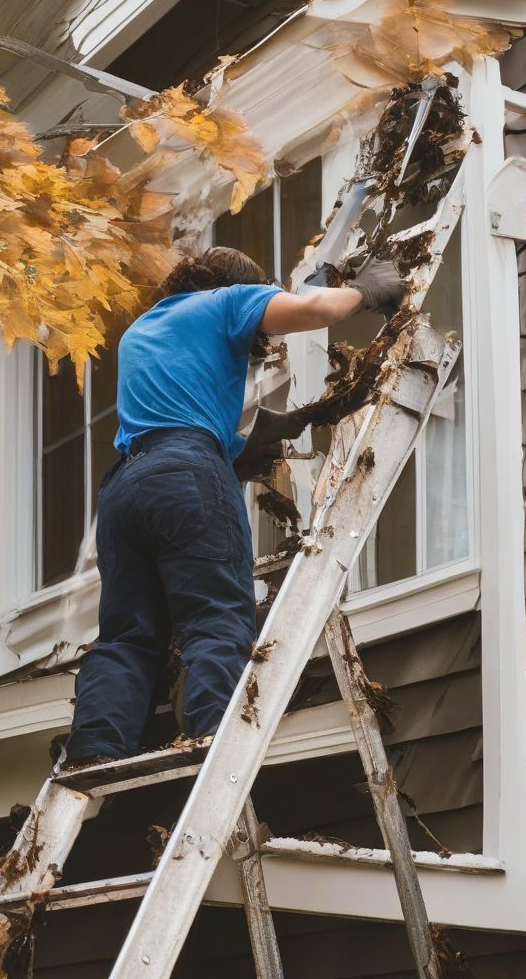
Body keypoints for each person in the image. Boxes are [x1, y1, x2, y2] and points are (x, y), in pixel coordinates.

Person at [61, 246, 406, 768]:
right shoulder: (228, 301)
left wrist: (241, 443)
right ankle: (213, 739)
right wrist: (363, 290)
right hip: (186, 472)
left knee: (129, 637)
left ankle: (94, 747)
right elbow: (315, 312)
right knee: (216, 616)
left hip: (124, 490)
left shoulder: (142, 331)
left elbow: (173, 410)